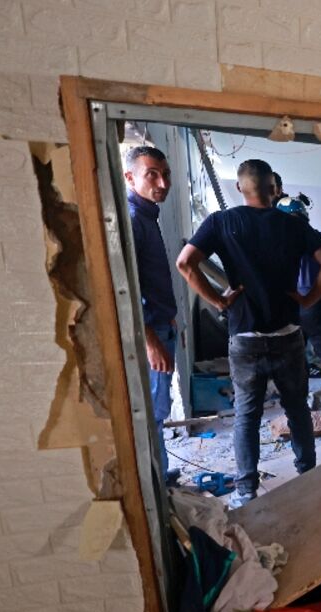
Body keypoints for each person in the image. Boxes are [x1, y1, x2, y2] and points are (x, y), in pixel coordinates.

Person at [176, 159, 321, 508]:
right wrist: (308, 299)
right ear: (274, 189)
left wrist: (219, 301)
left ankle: (246, 490)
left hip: (245, 337)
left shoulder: (221, 222)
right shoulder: (294, 225)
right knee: (297, 408)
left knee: (247, 416)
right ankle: (308, 474)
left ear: (240, 187)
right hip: (287, 334)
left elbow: (185, 263)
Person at [124, 145, 181, 485]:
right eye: (152, 175)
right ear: (130, 178)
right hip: (151, 333)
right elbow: (127, 288)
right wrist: (150, 341)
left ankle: (160, 475)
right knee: (153, 414)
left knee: (159, 408)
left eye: (166, 174)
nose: (162, 183)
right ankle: (157, 486)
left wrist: (168, 317)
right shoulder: (133, 219)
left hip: (161, 325)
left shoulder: (147, 215)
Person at [271, 177, 321, 407]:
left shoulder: (276, 241)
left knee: (293, 357)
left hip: (289, 306)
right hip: (313, 305)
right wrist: (314, 296)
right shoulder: (316, 236)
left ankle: (297, 403)